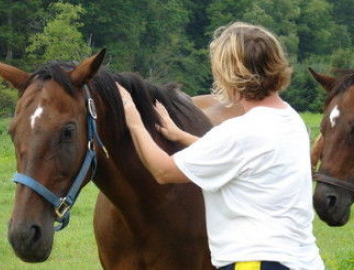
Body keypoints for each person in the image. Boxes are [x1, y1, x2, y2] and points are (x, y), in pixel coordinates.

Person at [117, 21, 324, 270]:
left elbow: (164, 171)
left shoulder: (240, 132)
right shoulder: (291, 119)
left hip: (255, 262)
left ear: (229, 73)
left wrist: (134, 121)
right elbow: (245, 158)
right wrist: (181, 136)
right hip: (302, 261)